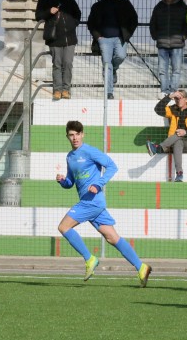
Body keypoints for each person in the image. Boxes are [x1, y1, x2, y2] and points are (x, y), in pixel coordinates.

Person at [56, 121, 151, 286]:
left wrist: (99, 184)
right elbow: (71, 182)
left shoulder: (90, 151)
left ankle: (90, 258)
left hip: (92, 202)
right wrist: (63, 181)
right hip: (89, 202)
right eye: (71, 135)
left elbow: (112, 167)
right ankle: (141, 267)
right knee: (112, 237)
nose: (75, 138)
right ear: (67, 136)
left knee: (64, 227)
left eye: (78, 134)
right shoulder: (70, 157)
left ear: (83, 134)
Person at [87, 0, 138, 100]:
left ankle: (114, 70)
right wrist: (98, 36)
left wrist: (128, 34)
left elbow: (134, 19)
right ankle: (109, 92)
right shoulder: (98, 6)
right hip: (104, 40)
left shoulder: (124, 3)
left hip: (120, 39)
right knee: (106, 64)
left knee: (121, 56)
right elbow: (91, 23)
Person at [35, 0, 81, 101]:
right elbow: (38, 16)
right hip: (54, 38)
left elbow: (77, 12)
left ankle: (66, 90)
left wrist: (73, 23)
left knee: (67, 63)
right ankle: (57, 90)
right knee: (57, 64)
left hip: (69, 37)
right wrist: (49, 11)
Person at [147, 90, 187, 182]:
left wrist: (185, 132)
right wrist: (170, 96)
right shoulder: (173, 109)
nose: (178, 101)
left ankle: (159, 148)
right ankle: (179, 174)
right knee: (178, 141)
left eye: (180, 98)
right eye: (176, 99)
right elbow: (158, 109)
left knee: (178, 135)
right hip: (177, 143)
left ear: (186, 99)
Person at [150, 0, 187, 99]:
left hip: (178, 43)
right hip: (162, 43)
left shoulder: (182, 6)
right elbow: (153, 23)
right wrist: (156, 36)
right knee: (162, 69)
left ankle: (173, 91)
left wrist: (184, 36)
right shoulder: (159, 7)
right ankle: (164, 91)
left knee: (176, 69)